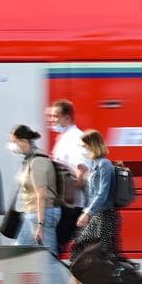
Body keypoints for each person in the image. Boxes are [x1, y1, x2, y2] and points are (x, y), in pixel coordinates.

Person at [61, 129, 118, 284]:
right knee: (85, 252)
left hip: (104, 216)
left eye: (84, 145)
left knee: (92, 254)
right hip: (96, 216)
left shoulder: (104, 165)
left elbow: (102, 194)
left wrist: (87, 212)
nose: (83, 149)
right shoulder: (95, 165)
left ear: (93, 145)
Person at [9, 125, 66, 284]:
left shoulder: (38, 162)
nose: (12, 146)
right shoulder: (29, 159)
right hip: (31, 214)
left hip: (41, 214)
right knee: (18, 253)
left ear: (24, 141)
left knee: (47, 255)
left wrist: (40, 224)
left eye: (14, 142)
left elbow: (41, 195)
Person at [49, 100, 90, 247]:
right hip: (68, 203)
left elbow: (82, 167)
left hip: (71, 205)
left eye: (55, 116)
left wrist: (74, 188)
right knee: (55, 247)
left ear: (66, 118)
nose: (51, 120)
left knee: (54, 247)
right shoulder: (65, 137)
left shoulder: (73, 138)